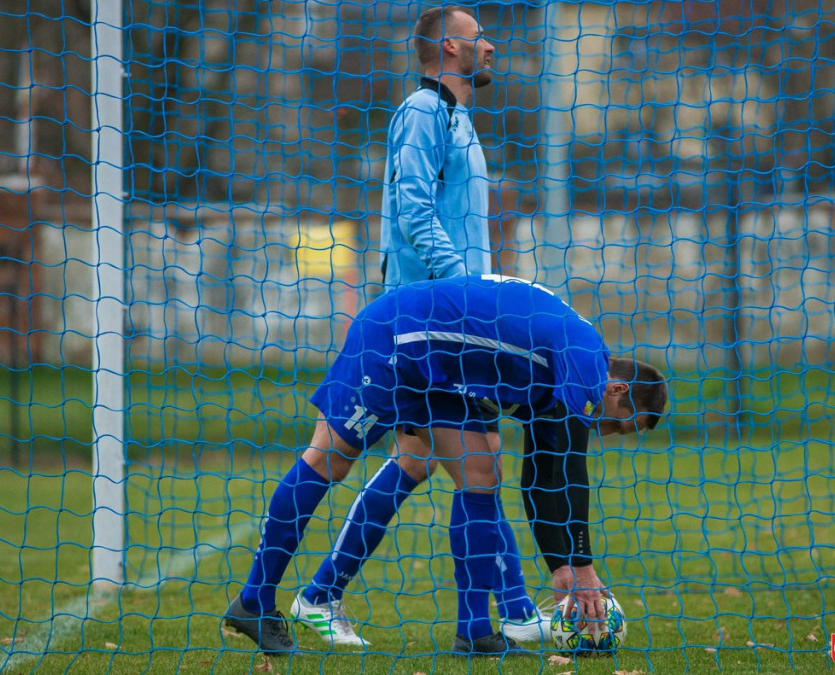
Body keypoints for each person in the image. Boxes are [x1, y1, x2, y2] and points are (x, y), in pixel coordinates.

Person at [223, 274, 668, 656]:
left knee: (482, 473)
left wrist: (563, 566)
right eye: (621, 426)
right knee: (330, 460)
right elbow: (572, 467)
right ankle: (255, 602)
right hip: (397, 337)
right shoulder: (585, 361)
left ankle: (473, 633)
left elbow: (541, 476)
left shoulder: (566, 370)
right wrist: (583, 568)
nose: (608, 434)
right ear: (615, 390)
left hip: (440, 368)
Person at [292, 5, 551, 648]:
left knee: (425, 461)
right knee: (470, 462)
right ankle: (508, 614)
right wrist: (460, 282)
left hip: (451, 318)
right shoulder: (422, 111)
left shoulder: (457, 118)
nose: (489, 47)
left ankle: (322, 593)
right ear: (447, 47)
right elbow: (410, 205)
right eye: (478, 38)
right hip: (428, 321)